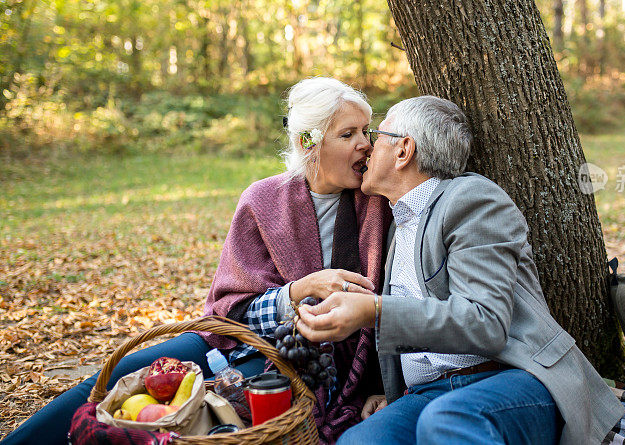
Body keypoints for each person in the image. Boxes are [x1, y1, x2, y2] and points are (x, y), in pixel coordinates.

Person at [3, 78, 392, 445]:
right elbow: (228, 310)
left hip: (291, 361)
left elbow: (393, 307)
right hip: (222, 339)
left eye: (365, 131)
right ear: (309, 142)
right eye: (348, 134)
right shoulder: (263, 201)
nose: (366, 144)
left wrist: (381, 386)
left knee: (215, 412)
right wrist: (297, 292)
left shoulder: (376, 203)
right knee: (119, 377)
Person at [296, 95, 625, 444]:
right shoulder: (394, 223)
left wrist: (375, 311)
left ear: (404, 151)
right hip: (427, 394)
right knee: (358, 442)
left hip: (507, 378)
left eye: (377, 137)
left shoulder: (472, 200)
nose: (367, 148)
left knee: (447, 421)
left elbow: (485, 321)